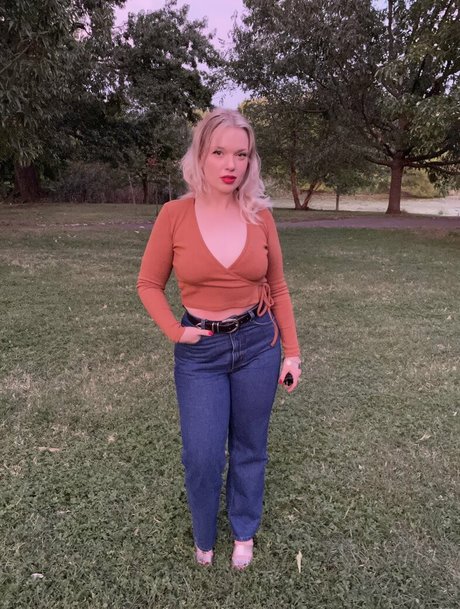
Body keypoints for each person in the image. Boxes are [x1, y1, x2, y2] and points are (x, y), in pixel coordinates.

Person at [137, 108, 301, 569]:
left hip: (257, 344)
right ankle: (205, 535)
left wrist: (292, 353)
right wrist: (175, 331)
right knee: (202, 455)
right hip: (201, 353)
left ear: (251, 161)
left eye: (241, 155)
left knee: (250, 446)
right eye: (219, 152)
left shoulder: (259, 216)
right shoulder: (174, 214)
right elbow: (148, 283)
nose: (231, 164)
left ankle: (243, 530)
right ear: (200, 156)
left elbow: (278, 286)